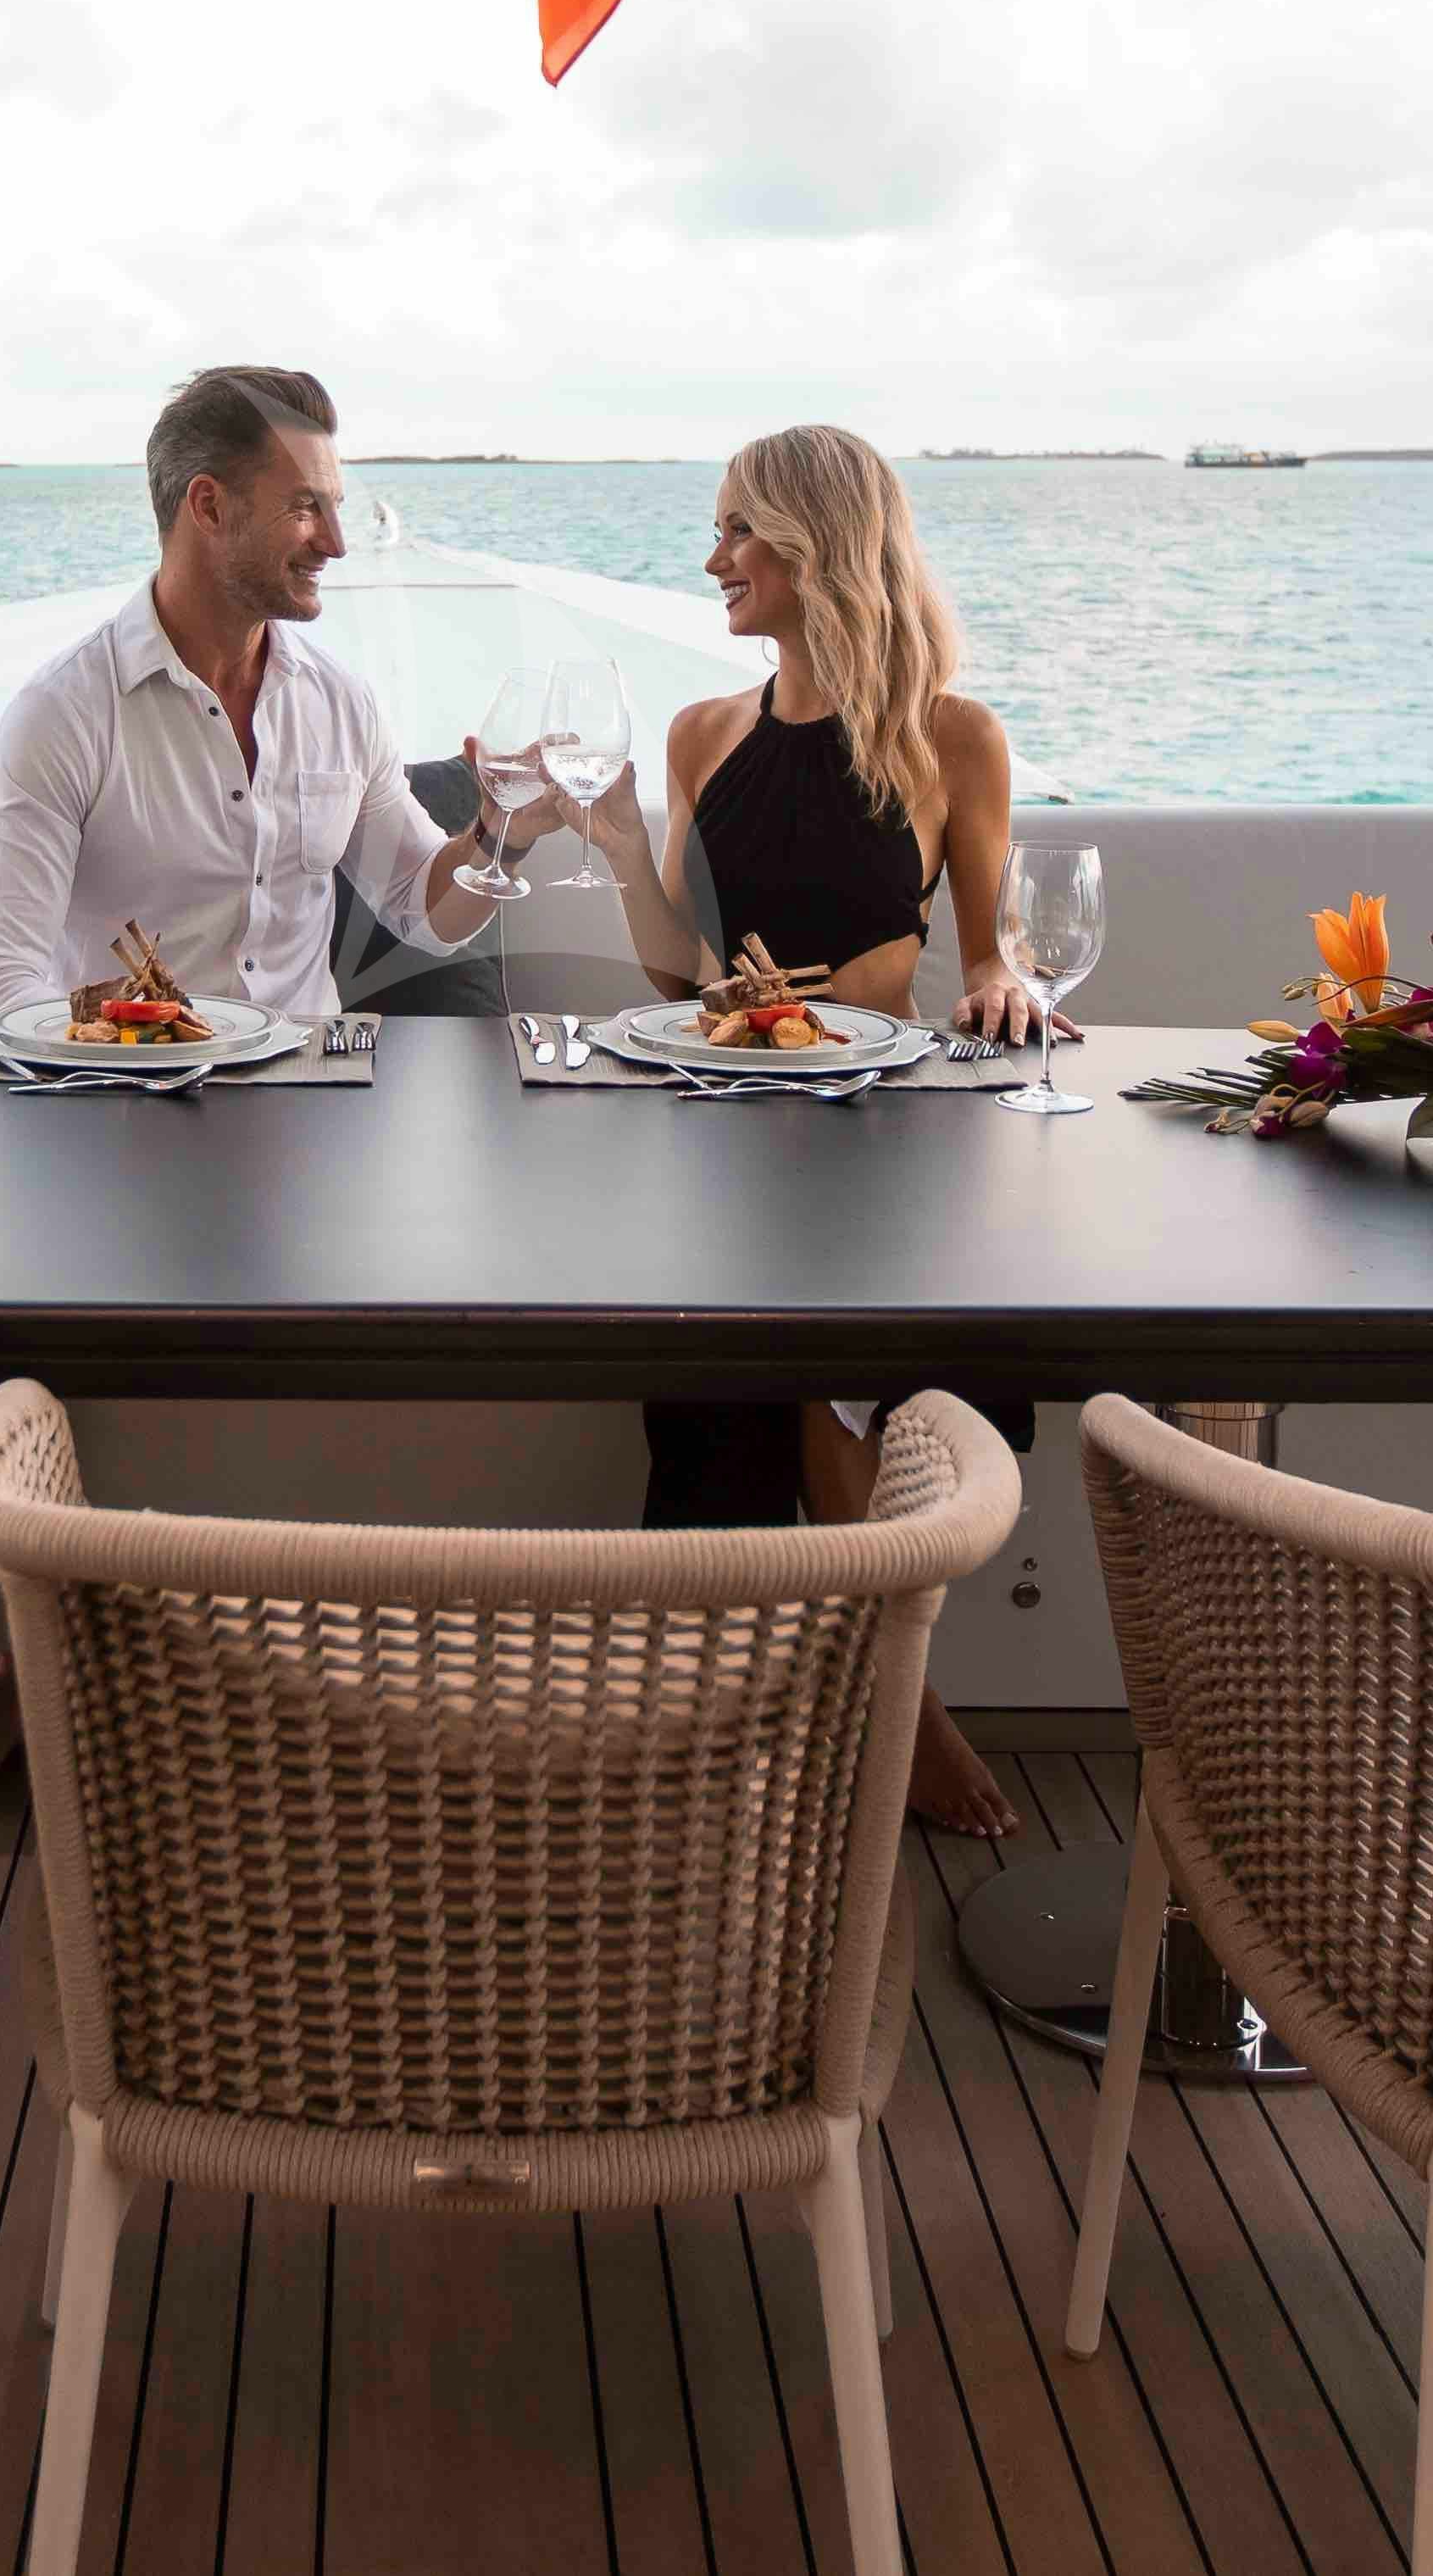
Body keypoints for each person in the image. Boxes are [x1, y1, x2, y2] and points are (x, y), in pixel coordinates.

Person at [0, 363, 555, 1829]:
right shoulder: (65, 712)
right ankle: (8, 1670)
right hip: (109, 1123)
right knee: (11, 1314)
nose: (334, 533)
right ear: (209, 508)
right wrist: (152, 1039)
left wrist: (499, 831)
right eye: (308, 505)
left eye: (333, 504)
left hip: (313, 1126)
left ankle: (386, 1687)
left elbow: (417, 904)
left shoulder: (338, 699)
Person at [559, 420, 1041, 1835]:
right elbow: (676, 974)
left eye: (735, 531)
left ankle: (862, 1712)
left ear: (814, 544)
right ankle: (790, 1715)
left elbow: (990, 949)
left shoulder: (951, 734)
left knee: (843, 1370)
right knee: (734, 1374)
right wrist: (608, 835)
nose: (713, 558)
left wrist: (1008, 976)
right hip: (722, 1119)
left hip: (882, 1125)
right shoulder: (704, 731)